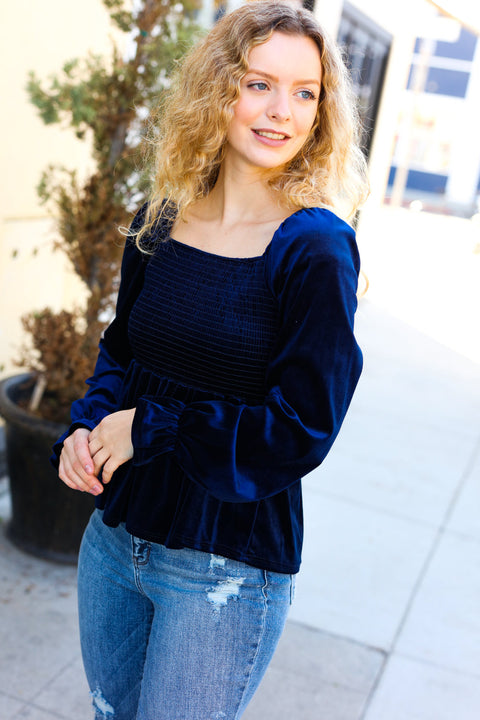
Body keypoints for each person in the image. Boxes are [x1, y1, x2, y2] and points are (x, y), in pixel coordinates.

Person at [53, 2, 369, 718]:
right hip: (114, 543)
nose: (281, 111)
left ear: (321, 111)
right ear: (218, 89)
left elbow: (301, 429)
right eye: (258, 84)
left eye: (305, 92)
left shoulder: (315, 248)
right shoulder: (159, 218)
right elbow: (121, 350)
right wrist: (90, 426)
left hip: (224, 567)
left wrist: (152, 428)